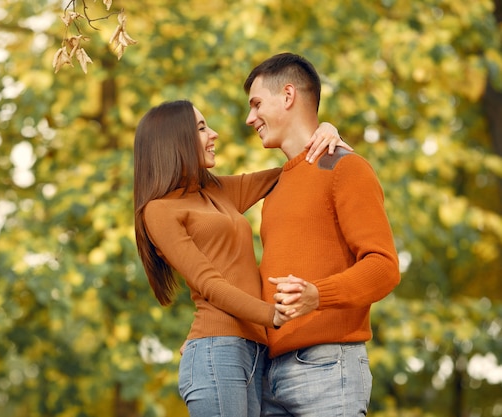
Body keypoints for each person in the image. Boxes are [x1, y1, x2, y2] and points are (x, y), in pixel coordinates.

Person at [133, 100, 350, 417]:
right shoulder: (160, 210)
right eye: (202, 128)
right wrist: (272, 315)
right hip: (216, 351)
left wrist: (325, 133)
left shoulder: (216, 191)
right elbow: (209, 283)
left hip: (255, 353)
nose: (215, 134)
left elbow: (288, 174)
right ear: (174, 139)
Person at [243, 53, 401, 417]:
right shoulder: (276, 187)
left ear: (287, 96)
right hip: (270, 375)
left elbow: (384, 267)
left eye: (256, 104)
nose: (250, 118)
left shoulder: (345, 167)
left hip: (330, 368)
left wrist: (319, 295)